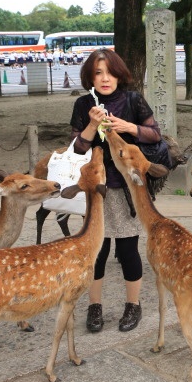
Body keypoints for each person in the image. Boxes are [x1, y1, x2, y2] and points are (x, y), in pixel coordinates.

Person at [70, 48, 162, 332]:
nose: (105, 78)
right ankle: (94, 306)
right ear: (90, 77)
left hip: (126, 190)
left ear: (119, 75)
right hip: (96, 189)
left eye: (110, 72)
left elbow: (155, 134)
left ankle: (133, 305)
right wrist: (92, 125)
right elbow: (76, 149)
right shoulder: (84, 104)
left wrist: (128, 127)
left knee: (128, 250)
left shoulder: (133, 100)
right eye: (98, 73)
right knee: (96, 251)